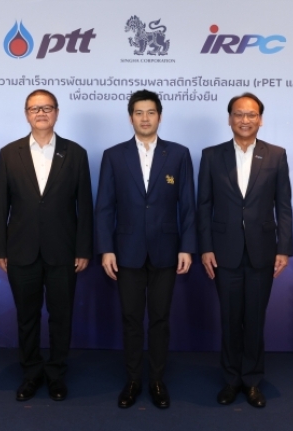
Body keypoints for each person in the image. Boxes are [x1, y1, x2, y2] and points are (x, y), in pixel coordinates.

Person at [95, 89, 196, 409]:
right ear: (130, 118)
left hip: (167, 249)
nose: (145, 118)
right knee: (130, 318)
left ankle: (156, 380)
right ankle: (133, 380)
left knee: (160, 319)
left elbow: (188, 206)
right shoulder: (114, 155)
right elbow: (104, 207)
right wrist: (106, 248)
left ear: (160, 116)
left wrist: (187, 247)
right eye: (138, 112)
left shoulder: (178, 154)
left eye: (151, 112)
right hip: (126, 250)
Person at [0, 89, 93, 402]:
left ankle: (56, 373)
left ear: (57, 113)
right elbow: (0, 204)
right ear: (26, 114)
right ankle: (32, 373)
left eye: (47, 108)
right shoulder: (10, 153)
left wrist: (83, 249)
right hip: (21, 250)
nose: (41, 113)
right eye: (35, 108)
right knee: (27, 316)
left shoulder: (76, 153)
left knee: (61, 316)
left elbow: (85, 206)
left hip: (64, 251)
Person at [197, 92, 293, 408]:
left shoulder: (276, 155)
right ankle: (230, 380)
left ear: (260, 120)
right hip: (223, 252)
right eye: (238, 114)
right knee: (229, 319)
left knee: (254, 319)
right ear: (230, 119)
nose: (245, 120)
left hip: (262, 251)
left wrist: (284, 248)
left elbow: (283, 205)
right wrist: (205, 247)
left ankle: (251, 380)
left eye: (251, 114)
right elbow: (203, 206)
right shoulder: (212, 155)